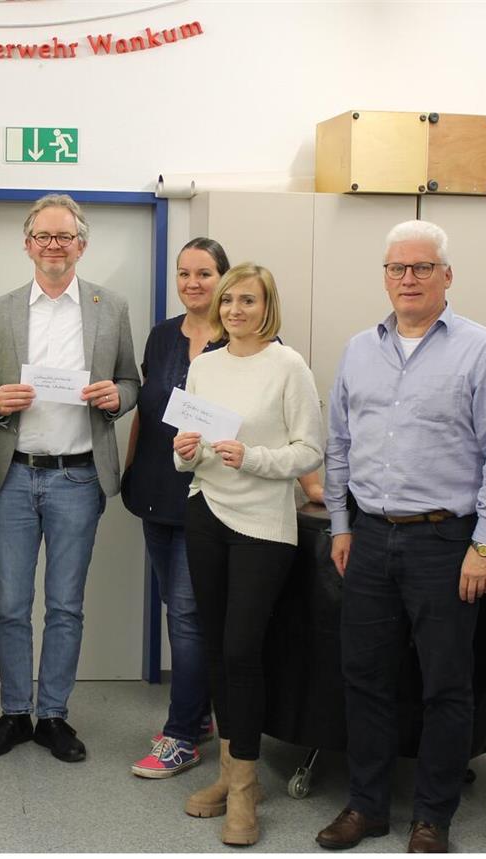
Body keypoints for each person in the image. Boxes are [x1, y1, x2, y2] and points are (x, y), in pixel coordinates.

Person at [315, 220, 486, 854]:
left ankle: (432, 816)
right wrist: (340, 523)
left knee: (445, 683)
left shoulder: (483, 351)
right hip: (371, 537)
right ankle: (367, 807)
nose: (407, 279)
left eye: (420, 268)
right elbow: (340, 444)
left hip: (447, 543)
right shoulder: (360, 349)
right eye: (396, 269)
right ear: (384, 275)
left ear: (446, 275)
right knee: (365, 678)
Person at [0, 193, 140, 763]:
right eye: (43, 236)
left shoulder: (110, 308)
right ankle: (16, 712)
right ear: (27, 244)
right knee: (11, 605)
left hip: (77, 478)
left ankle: (55, 717)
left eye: (64, 237)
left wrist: (118, 398)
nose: (53, 246)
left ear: (81, 245)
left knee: (66, 606)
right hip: (13, 477)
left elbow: (130, 382)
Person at [173, 262, 324, 846]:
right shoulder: (203, 366)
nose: (236, 310)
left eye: (249, 301)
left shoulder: (288, 365)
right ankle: (231, 775)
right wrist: (185, 451)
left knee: (243, 651)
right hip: (205, 510)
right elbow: (186, 452)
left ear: (268, 307)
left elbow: (310, 449)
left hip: (263, 521)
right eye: (229, 300)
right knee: (215, 649)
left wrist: (254, 458)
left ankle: (245, 789)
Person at [121, 237, 230, 778]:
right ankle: (201, 711)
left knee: (188, 617)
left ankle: (182, 734)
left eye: (205, 274)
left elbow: (262, 416)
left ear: (223, 279)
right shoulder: (163, 336)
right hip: (155, 491)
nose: (193, 283)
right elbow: (146, 407)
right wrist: (131, 466)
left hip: (209, 496)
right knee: (178, 609)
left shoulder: (246, 337)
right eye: (184, 274)